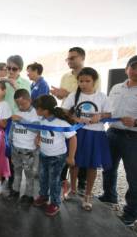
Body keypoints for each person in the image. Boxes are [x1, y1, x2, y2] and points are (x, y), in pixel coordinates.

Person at [50, 47, 98, 197]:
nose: (69, 61)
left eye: (73, 58)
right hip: (68, 119)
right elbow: (63, 100)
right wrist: (58, 94)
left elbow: (91, 96)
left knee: (84, 154)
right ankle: (65, 183)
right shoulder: (65, 77)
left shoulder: (92, 74)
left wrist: (67, 93)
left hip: (87, 123)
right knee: (69, 152)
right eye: (68, 58)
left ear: (82, 58)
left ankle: (82, 186)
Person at [62, 67, 112, 211]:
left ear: (94, 81)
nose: (84, 84)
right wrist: (75, 118)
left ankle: (88, 195)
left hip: (96, 135)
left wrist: (100, 116)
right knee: (74, 162)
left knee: (92, 165)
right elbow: (64, 111)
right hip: (77, 134)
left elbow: (109, 113)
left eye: (87, 81)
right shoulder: (73, 95)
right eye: (81, 81)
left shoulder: (102, 96)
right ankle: (72, 189)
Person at [99, 55, 137, 226]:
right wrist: (100, 115)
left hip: (133, 138)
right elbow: (110, 109)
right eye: (133, 67)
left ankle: (130, 213)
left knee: (133, 176)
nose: (135, 71)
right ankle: (109, 196)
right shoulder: (116, 87)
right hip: (112, 133)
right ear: (126, 69)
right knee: (108, 168)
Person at [32, 95, 77, 217]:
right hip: (44, 154)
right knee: (42, 177)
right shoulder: (42, 120)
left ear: (45, 110)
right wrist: (38, 138)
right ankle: (43, 196)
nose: (36, 111)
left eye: (38, 108)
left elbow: (73, 138)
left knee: (54, 180)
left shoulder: (61, 123)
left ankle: (55, 202)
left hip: (57, 157)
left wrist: (71, 157)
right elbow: (41, 131)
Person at [8, 89, 40, 204]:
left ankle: (29, 195)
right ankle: (15, 190)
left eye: (23, 103)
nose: (20, 106)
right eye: (18, 104)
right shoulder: (18, 111)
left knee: (29, 173)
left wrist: (21, 120)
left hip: (28, 149)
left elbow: (36, 128)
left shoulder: (35, 113)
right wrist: (10, 138)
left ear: (30, 100)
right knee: (16, 170)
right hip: (16, 147)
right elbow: (13, 126)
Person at [4, 55, 31, 189]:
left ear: (20, 69)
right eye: (8, 68)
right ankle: (3, 174)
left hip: (18, 122)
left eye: (14, 69)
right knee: (3, 150)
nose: (10, 71)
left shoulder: (25, 83)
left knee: (15, 152)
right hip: (3, 121)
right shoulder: (3, 81)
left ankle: (14, 180)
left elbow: (26, 103)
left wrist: (15, 86)